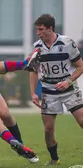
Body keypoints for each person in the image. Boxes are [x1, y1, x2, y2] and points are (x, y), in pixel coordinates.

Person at [29, 14, 83, 165]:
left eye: (41, 29)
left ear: (50, 28)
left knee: (82, 120)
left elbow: (80, 67)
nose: (38, 33)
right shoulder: (37, 47)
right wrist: (33, 92)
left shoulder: (67, 43)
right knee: (48, 129)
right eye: (37, 30)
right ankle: (54, 159)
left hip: (70, 89)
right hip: (48, 92)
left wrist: (68, 81)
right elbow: (33, 71)